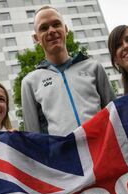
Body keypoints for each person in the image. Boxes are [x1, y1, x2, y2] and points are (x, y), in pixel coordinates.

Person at [21, 6, 116, 135]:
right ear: (36, 38)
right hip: (62, 154)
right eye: (44, 28)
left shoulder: (94, 67)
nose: (51, 30)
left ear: (65, 29)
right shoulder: (30, 82)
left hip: (100, 151)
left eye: (56, 24)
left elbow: (114, 115)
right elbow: (33, 136)